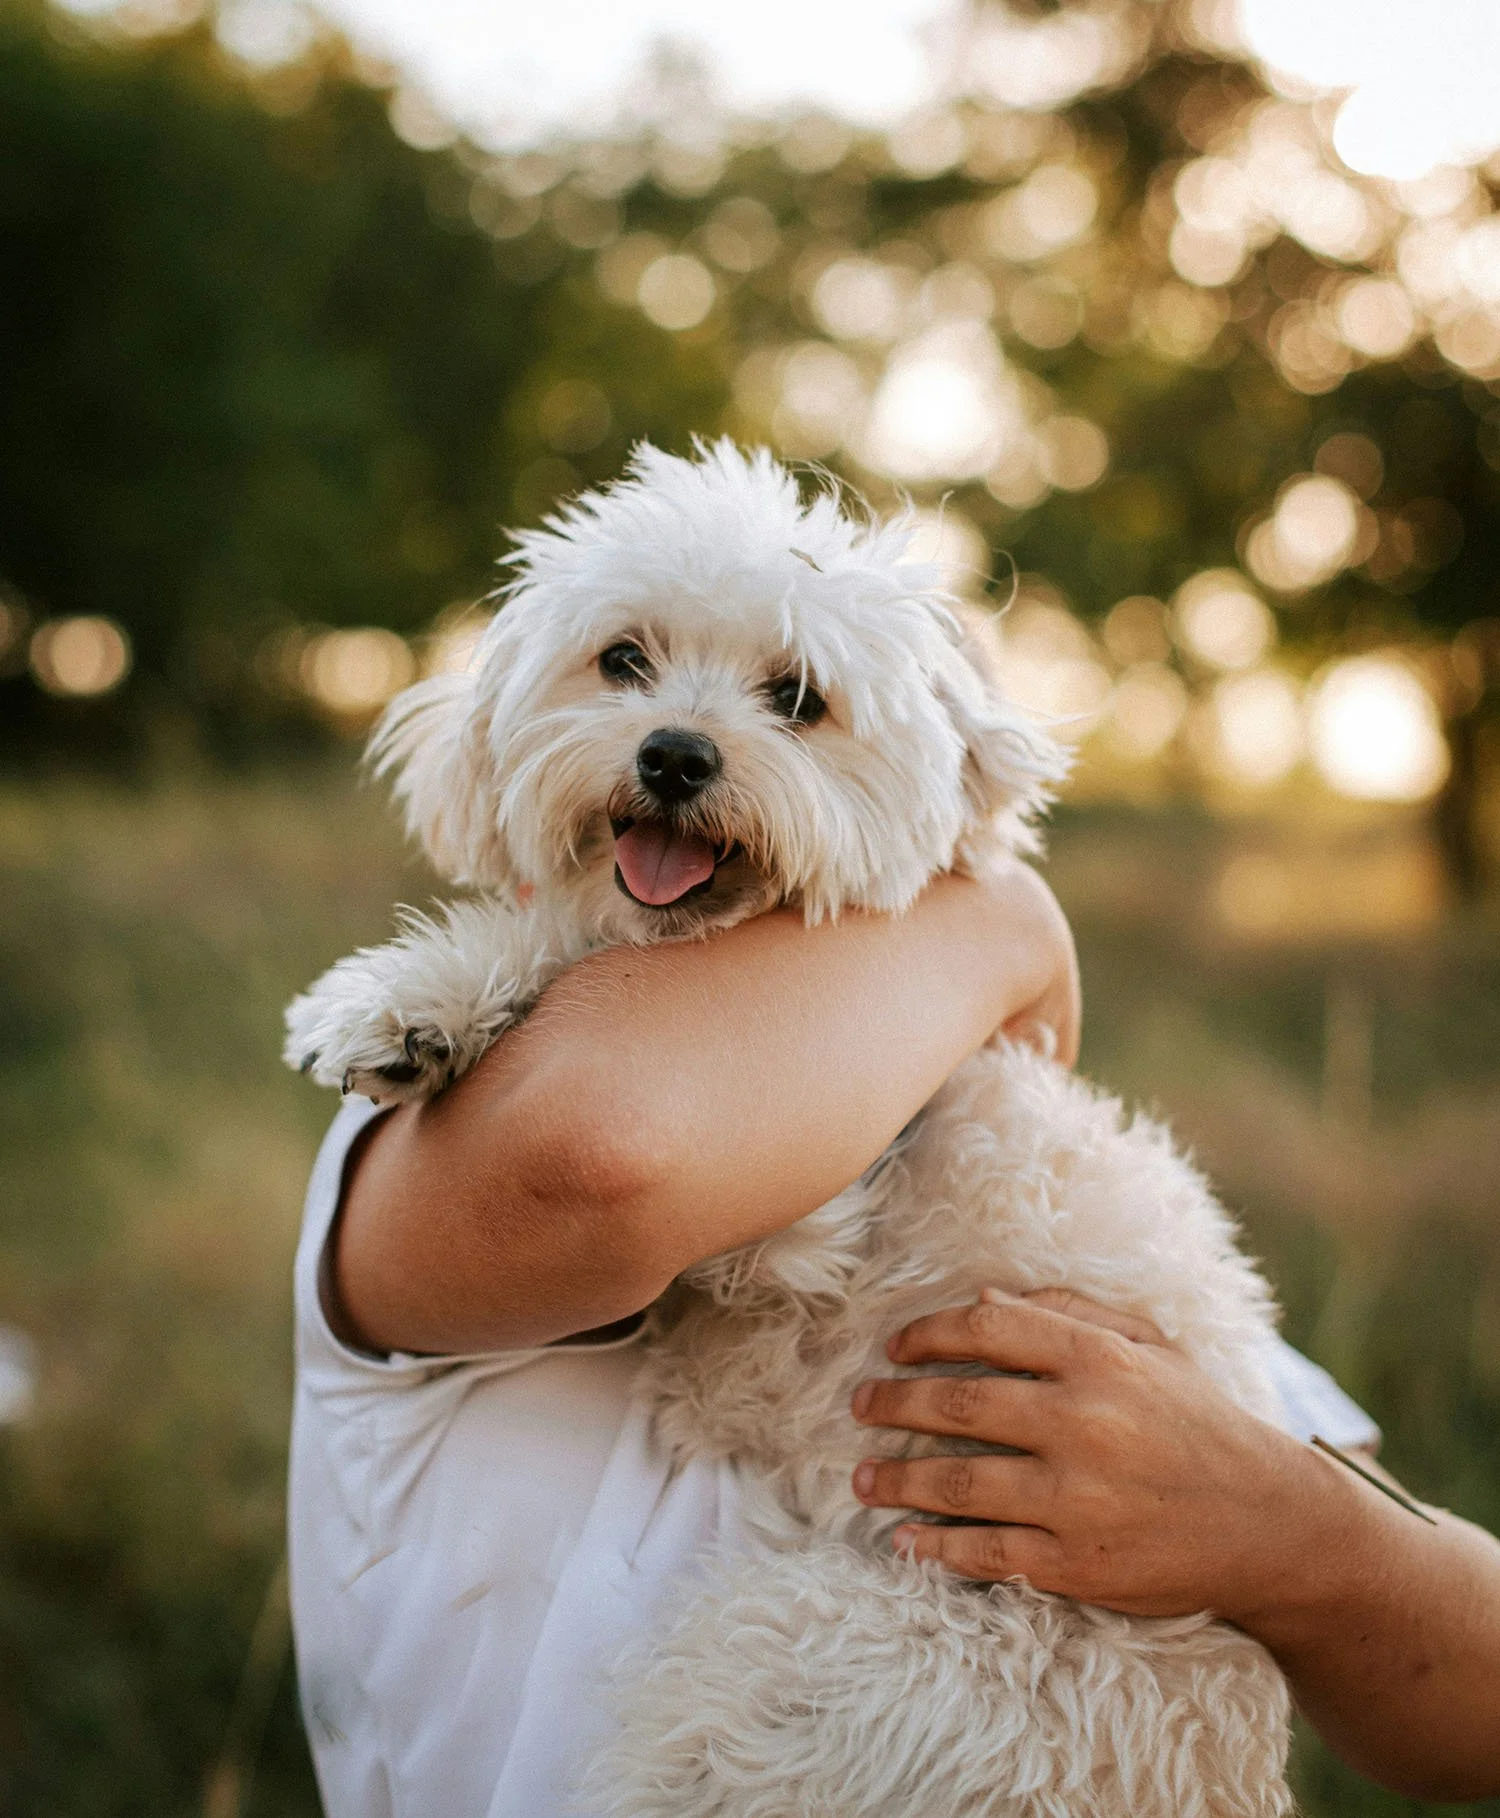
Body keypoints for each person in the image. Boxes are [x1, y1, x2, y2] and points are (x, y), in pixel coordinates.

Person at [288, 861, 1500, 1818]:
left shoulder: (1039, 1187)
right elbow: (607, 1152)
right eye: (623, 664)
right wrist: (1009, 920)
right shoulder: (428, 1128)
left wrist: (1292, 1535)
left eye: (797, 700)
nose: (682, 744)